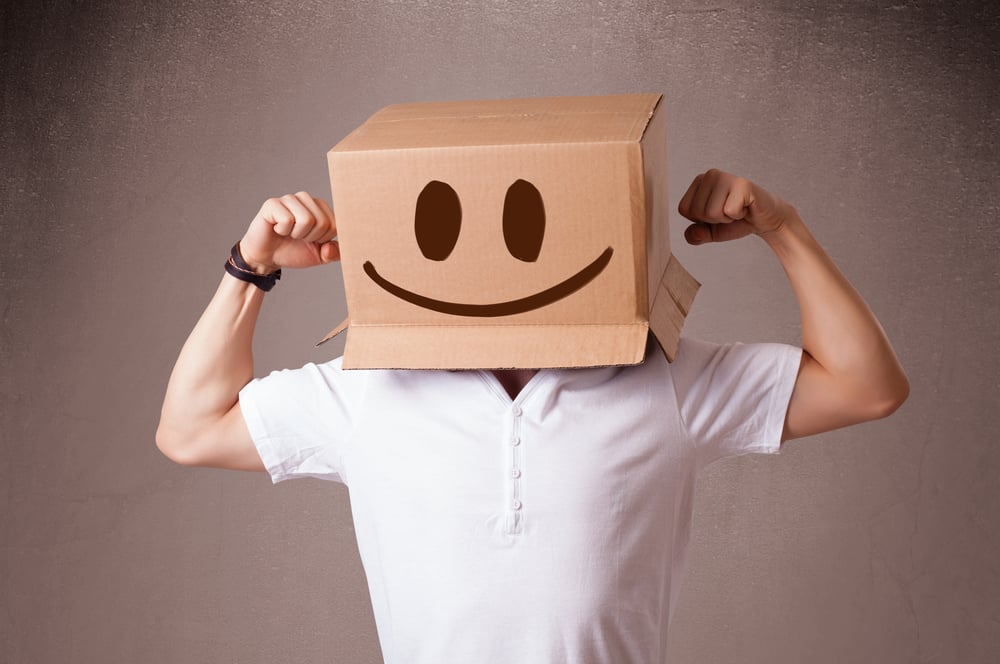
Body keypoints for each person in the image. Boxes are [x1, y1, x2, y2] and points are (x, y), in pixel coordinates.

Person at [156, 168, 908, 663]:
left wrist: (784, 226)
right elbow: (190, 429)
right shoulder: (369, 389)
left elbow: (865, 386)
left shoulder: (667, 378)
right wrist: (249, 270)